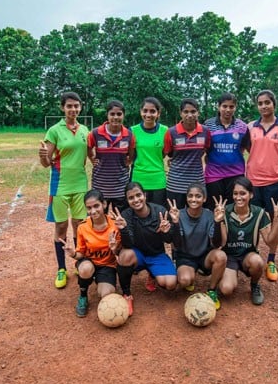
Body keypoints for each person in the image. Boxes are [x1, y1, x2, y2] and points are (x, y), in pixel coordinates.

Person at [39, 91, 89, 289]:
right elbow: (46, 163)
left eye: (76, 106)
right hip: (60, 184)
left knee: (79, 225)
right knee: (60, 227)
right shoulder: (54, 130)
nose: (73, 109)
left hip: (80, 184)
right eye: (69, 106)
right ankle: (61, 269)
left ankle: (78, 262)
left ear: (80, 107)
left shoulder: (85, 129)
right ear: (62, 108)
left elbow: (90, 156)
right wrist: (43, 155)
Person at [246, 89, 278, 282]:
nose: (264, 106)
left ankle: (271, 260)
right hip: (253, 181)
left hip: (276, 182)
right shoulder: (250, 127)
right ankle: (255, 255)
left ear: (274, 103)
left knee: (276, 220)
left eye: (267, 102)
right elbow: (249, 150)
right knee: (254, 221)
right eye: (260, 103)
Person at [112, 181, 178, 315]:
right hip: (138, 255)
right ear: (127, 200)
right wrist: (124, 229)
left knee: (170, 284)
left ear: (145, 195)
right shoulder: (126, 215)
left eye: (138, 195)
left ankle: (152, 273)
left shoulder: (160, 211)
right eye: (131, 198)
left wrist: (166, 232)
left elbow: (169, 241)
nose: (136, 200)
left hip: (157, 255)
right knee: (125, 256)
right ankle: (127, 295)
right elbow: (128, 244)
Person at [218, 177, 278, 305]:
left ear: (251, 195)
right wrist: (218, 221)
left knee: (258, 262)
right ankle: (226, 275)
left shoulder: (259, 213)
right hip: (230, 256)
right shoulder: (225, 211)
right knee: (226, 289)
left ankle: (254, 286)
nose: (238, 197)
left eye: (243, 193)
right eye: (235, 193)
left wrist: (276, 221)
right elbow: (222, 243)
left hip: (248, 255)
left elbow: (269, 241)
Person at [168, 183, 227, 310]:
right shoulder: (179, 215)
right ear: (186, 198)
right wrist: (176, 223)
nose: (194, 199)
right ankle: (191, 275)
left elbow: (217, 244)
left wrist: (217, 222)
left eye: (198, 196)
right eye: (190, 196)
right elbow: (176, 244)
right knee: (184, 281)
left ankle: (212, 290)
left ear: (204, 198)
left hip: (204, 256)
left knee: (221, 256)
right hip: (185, 257)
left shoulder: (210, 215)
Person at [62, 189, 121, 317]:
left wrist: (114, 248)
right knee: (85, 269)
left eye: (96, 206)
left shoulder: (115, 225)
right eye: (89, 208)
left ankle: (100, 280)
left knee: (107, 295)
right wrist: (72, 253)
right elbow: (81, 255)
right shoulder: (83, 227)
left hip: (107, 266)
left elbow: (119, 253)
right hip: (90, 263)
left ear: (104, 204)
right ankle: (83, 295)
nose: (93, 211)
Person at [163, 98, 211, 210]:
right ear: (180, 113)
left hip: (197, 183)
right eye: (186, 112)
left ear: (198, 112)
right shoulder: (171, 132)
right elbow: (169, 153)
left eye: (193, 111)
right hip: (175, 184)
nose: (189, 115)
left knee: (196, 216)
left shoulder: (205, 131)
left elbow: (206, 149)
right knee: (175, 217)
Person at [88, 100, 135, 212]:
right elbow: (88, 147)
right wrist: (92, 158)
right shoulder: (96, 133)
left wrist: (128, 162)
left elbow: (131, 154)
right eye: (112, 114)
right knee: (99, 218)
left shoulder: (129, 135)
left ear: (123, 115)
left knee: (120, 219)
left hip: (120, 187)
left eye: (119, 114)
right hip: (100, 186)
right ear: (107, 115)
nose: (115, 117)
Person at [203, 92, 249, 207]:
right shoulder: (208, 125)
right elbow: (204, 148)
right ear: (218, 107)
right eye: (224, 106)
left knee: (232, 210)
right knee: (214, 210)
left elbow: (245, 147)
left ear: (235, 107)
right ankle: (216, 226)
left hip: (236, 174)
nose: (228, 110)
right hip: (213, 175)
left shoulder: (242, 126)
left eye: (231, 106)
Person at [130, 97, 169, 206]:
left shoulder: (165, 130)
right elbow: (131, 155)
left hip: (158, 180)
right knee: (139, 213)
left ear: (158, 113)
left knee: (159, 213)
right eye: (145, 110)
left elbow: (164, 153)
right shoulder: (133, 131)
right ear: (140, 111)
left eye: (152, 111)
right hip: (139, 179)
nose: (148, 114)